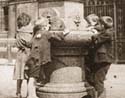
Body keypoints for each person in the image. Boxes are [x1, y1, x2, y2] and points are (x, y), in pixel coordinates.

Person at [25, 17, 68, 98]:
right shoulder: (46, 33)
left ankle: (32, 94)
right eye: (48, 24)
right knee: (33, 78)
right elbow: (58, 37)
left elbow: (30, 44)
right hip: (37, 60)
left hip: (33, 58)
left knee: (32, 77)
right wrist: (65, 32)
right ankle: (31, 96)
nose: (49, 26)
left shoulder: (37, 33)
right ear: (44, 26)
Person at [84, 15, 114, 98]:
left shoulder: (108, 33)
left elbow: (95, 38)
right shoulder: (105, 31)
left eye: (99, 24)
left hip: (103, 60)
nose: (97, 26)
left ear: (103, 26)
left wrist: (93, 31)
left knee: (98, 81)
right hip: (99, 60)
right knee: (93, 80)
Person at [13, 13, 34, 98]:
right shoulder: (30, 31)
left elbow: (16, 42)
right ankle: (29, 94)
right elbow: (30, 43)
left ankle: (18, 92)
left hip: (19, 54)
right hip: (28, 54)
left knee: (19, 75)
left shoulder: (18, 30)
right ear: (27, 20)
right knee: (29, 74)